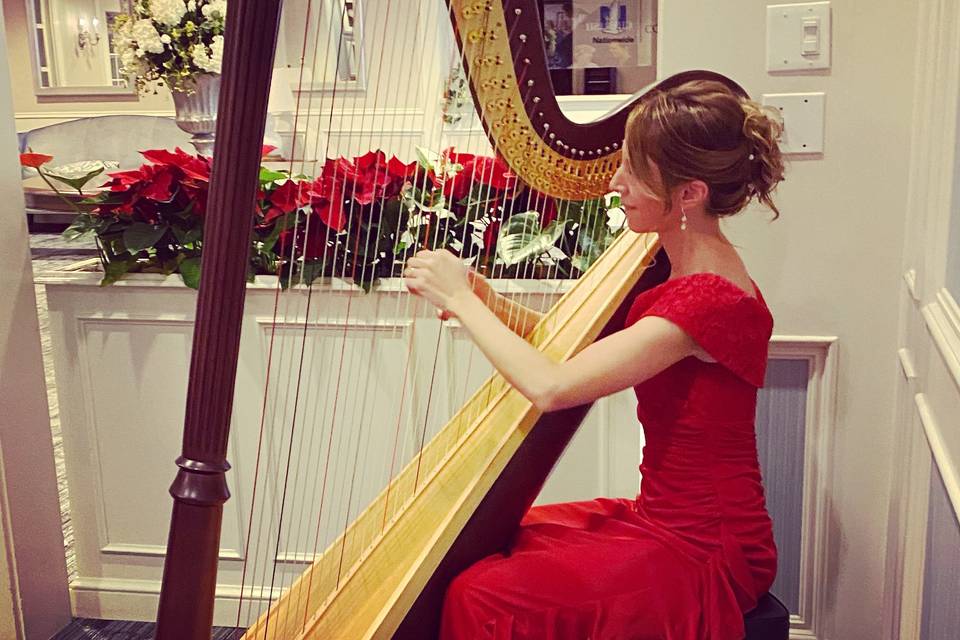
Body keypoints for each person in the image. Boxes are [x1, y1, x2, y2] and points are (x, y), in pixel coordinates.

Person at [403, 76, 786, 640]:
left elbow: (553, 386)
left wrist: (458, 297)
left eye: (634, 170)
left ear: (689, 194)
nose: (615, 182)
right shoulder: (689, 274)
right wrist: (491, 303)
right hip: (659, 515)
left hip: (705, 545)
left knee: (481, 593)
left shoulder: (712, 300)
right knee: (485, 538)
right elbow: (583, 356)